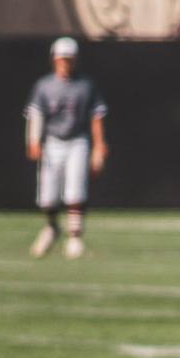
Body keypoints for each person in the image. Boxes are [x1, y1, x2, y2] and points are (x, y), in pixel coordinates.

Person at [24, 36, 108, 260]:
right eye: (62, 59)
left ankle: (74, 237)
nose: (65, 63)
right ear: (54, 59)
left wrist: (99, 146)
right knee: (47, 197)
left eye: (69, 59)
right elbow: (36, 114)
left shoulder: (85, 86)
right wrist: (33, 141)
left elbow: (96, 116)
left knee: (75, 190)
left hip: (77, 140)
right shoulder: (44, 86)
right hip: (52, 142)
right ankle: (52, 227)